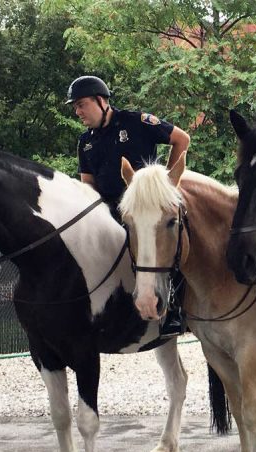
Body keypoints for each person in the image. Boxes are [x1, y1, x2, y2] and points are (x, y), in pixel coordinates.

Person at [67, 75, 191, 337]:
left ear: (101, 101)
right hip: (111, 212)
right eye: (75, 107)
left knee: (171, 247)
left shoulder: (138, 122)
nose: (78, 112)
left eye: (81, 104)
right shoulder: (84, 142)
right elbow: (88, 186)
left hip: (149, 211)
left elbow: (182, 139)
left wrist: (168, 185)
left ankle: (177, 312)